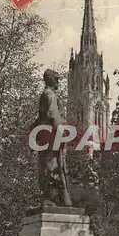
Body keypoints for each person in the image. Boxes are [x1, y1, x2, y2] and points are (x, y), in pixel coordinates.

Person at [36, 69, 72, 207]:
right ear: (50, 79)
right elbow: (53, 116)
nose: (58, 81)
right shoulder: (50, 94)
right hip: (52, 137)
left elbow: (40, 118)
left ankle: (52, 198)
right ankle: (56, 199)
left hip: (45, 137)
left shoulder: (45, 94)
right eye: (56, 79)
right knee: (55, 167)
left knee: (48, 166)